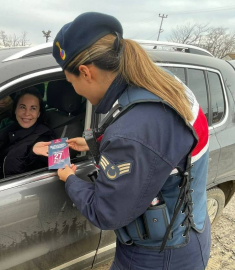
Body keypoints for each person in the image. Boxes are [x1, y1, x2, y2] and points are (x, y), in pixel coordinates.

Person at [52, 12, 210, 270]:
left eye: (72, 82)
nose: (75, 91)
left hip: (158, 257)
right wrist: (96, 143)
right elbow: (156, 148)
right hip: (188, 237)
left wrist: (69, 179)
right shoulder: (162, 83)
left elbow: (106, 212)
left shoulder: (134, 131)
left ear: (85, 72)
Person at [0, 87, 55, 184]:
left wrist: (32, 154)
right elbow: (1, 154)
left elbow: (50, 177)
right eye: (22, 107)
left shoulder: (46, 139)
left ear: (38, 113)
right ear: (15, 110)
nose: (27, 113)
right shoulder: (12, 128)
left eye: (33, 108)